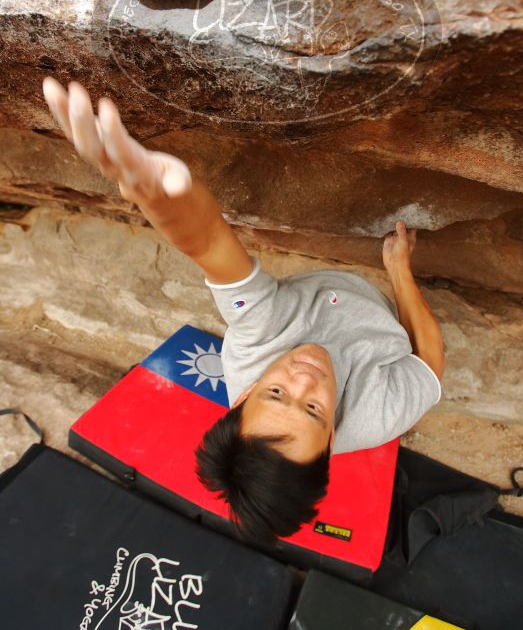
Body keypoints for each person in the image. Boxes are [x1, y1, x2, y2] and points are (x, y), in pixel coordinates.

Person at [42, 77, 445, 545]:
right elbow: (429, 359)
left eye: (274, 393)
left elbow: (212, 246)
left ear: (244, 393)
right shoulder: (380, 416)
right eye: (314, 409)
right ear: (333, 438)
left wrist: (162, 199)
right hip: (376, 313)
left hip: (321, 293)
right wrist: (398, 272)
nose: (304, 377)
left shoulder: (255, 343)